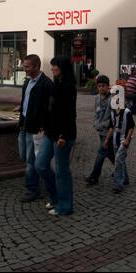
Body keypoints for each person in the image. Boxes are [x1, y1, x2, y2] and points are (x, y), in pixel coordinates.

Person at [17, 54, 54, 202]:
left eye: (27, 67)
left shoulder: (46, 84)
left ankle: (32, 190)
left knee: (31, 161)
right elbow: (27, 100)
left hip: (35, 128)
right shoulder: (28, 82)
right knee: (24, 155)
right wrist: (21, 110)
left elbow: (49, 108)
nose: (23, 69)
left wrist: (43, 126)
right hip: (24, 125)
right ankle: (43, 181)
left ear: (36, 67)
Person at [44, 56, 77, 216]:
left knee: (61, 170)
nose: (52, 68)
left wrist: (63, 135)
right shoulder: (56, 83)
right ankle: (56, 198)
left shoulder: (69, 86)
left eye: (54, 66)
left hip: (63, 135)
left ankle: (65, 206)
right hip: (50, 133)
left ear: (62, 67)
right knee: (41, 164)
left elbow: (69, 113)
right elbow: (51, 108)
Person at [84, 76, 114, 186]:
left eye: (103, 86)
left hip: (109, 131)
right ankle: (123, 174)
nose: (101, 88)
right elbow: (97, 112)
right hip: (100, 128)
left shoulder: (112, 99)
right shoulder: (97, 98)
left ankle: (94, 177)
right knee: (110, 154)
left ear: (108, 86)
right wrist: (95, 122)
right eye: (99, 86)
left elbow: (113, 118)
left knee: (101, 153)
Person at [107, 92, 135, 192]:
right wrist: (106, 140)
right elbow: (111, 127)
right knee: (120, 159)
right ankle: (126, 178)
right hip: (115, 139)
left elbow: (131, 127)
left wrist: (127, 140)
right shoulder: (112, 112)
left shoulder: (127, 112)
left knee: (118, 159)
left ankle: (118, 184)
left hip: (124, 139)